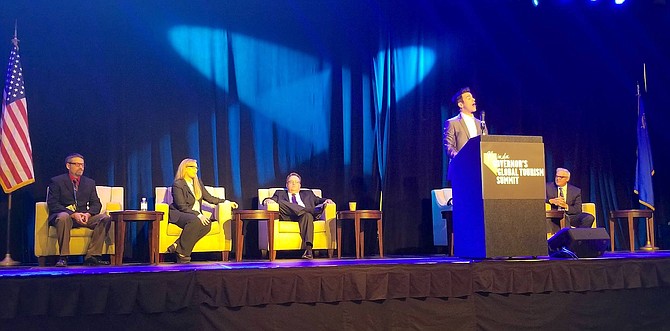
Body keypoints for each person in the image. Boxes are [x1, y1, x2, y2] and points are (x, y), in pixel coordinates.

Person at [167, 158, 238, 263]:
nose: (196, 170)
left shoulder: (197, 183)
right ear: (185, 169)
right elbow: (182, 206)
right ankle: (183, 254)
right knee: (196, 220)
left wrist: (226, 202)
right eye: (193, 167)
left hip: (193, 215)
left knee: (207, 224)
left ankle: (177, 245)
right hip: (180, 214)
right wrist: (198, 215)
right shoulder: (178, 184)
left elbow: (209, 198)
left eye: (196, 167)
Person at [47, 153, 112, 267]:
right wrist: (73, 214)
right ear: (68, 166)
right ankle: (63, 257)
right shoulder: (57, 181)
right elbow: (53, 204)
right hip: (65, 217)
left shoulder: (89, 183)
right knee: (63, 217)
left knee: (105, 218)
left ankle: (92, 256)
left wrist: (88, 214)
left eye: (82, 165)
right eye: (77, 164)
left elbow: (96, 204)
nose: (81, 167)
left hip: (83, 216)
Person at [263, 172, 334, 259]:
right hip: (287, 217)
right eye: (291, 182)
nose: (293, 184)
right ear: (286, 184)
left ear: (300, 185)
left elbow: (319, 200)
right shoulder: (280, 193)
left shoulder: (308, 194)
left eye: (296, 182)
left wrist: (327, 200)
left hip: (304, 217)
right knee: (280, 203)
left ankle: (308, 250)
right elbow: (269, 199)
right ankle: (311, 211)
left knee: (307, 216)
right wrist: (267, 201)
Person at [443, 87, 488, 159]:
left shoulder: (481, 124)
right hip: (461, 166)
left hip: (478, 165)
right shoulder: (452, 123)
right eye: (469, 98)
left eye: (472, 97)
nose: (473, 99)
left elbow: (487, 145)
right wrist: (461, 159)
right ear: (461, 104)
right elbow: (449, 147)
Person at [545, 168, 595, 233]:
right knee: (564, 219)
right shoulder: (547, 187)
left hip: (570, 216)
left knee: (589, 218)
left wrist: (566, 206)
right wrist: (550, 201)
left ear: (567, 179)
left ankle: (578, 237)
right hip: (554, 217)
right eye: (557, 176)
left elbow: (577, 210)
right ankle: (568, 238)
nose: (558, 179)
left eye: (561, 177)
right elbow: (538, 200)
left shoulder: (575, 191)